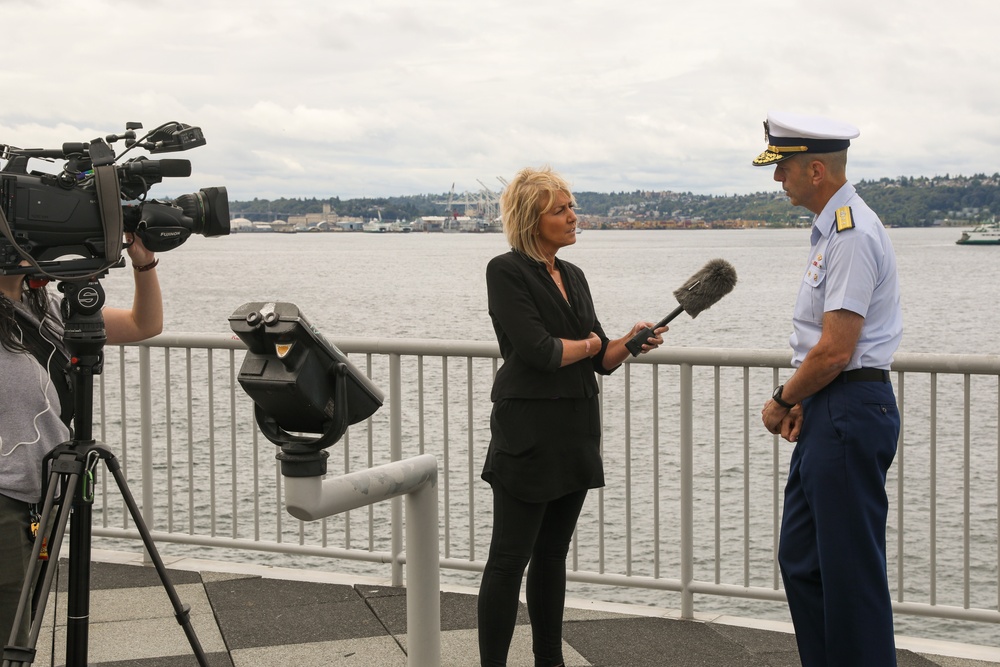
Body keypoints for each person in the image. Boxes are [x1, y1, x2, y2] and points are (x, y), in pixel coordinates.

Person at [478, 166, 667, 667]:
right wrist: (591, 345)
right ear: (531, 218)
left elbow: (602, 358)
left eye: (571, 207)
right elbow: (540, 352)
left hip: (575, 431)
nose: (572, 217)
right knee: (507, 561)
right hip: (529, 434)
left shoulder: (574, 276)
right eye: (560, 210)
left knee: (552, 557)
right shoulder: (506, 270)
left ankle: (550, 662)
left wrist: (629, 341)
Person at [754, 111, 903, 666]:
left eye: (784, 167)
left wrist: (784, 399)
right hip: (832, 405)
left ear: (815, 170)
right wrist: (806, 398)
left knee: (849, 573)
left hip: (848, 406)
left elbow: (836, 349)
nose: (777, 180)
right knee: (804, 559)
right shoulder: (833, 231)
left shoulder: (851, 234)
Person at [0, 235, 163, 647]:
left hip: (43, 491)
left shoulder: (47, 308)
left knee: (24, 622)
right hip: (4, 495)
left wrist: (144, 264)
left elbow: (145, 325)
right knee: (8, 633)